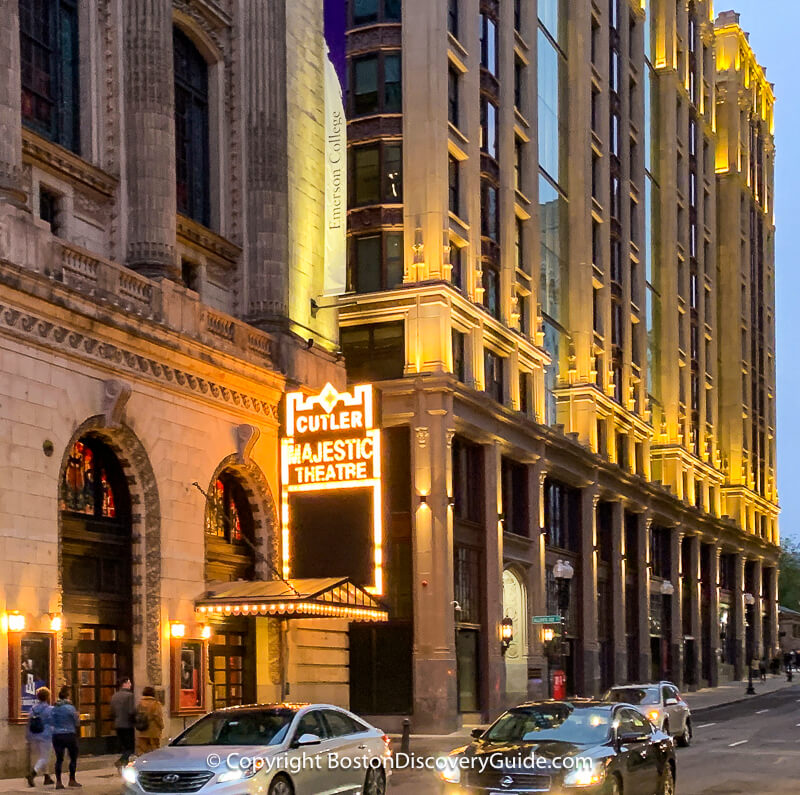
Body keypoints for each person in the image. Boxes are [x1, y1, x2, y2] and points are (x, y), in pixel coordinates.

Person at [51, 685, 81, 789]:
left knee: (59, 759)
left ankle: (58, 781)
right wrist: (77, 716)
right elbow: (77, 723)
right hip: (69, 734)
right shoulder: (70, 708)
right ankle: (72, 779)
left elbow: (51, 721)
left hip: (57, 735)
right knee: (73, 757)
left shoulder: (54, 708)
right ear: (68, 696)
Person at [25, 687, 54, 788]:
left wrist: (28, 736)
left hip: (34, 735)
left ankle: (47, 777)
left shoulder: (33, 709)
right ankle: (32, 774)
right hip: (46, 735)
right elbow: (53, 722)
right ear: (47, 697)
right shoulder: (50, 709)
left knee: (42, 756)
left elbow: (29, 722)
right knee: (44, 758)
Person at [110, 677, 135, 767]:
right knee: (130, 747)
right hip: (127, 724)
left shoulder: (114, 696)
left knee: (124, 745)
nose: (130, 685)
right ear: (124, 684)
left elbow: (112, 711)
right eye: (129, 683)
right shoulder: (130, 696)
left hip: (118, 724)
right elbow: (131, 711)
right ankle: (122, 761)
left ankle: (124, 765)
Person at [134, 687, 164, 756]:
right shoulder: (155, 704)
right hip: (153, 731)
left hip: (142, 729)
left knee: (142, 749)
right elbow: (158, 717)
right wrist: (161, 726)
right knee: (154, 750)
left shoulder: (140, 703)